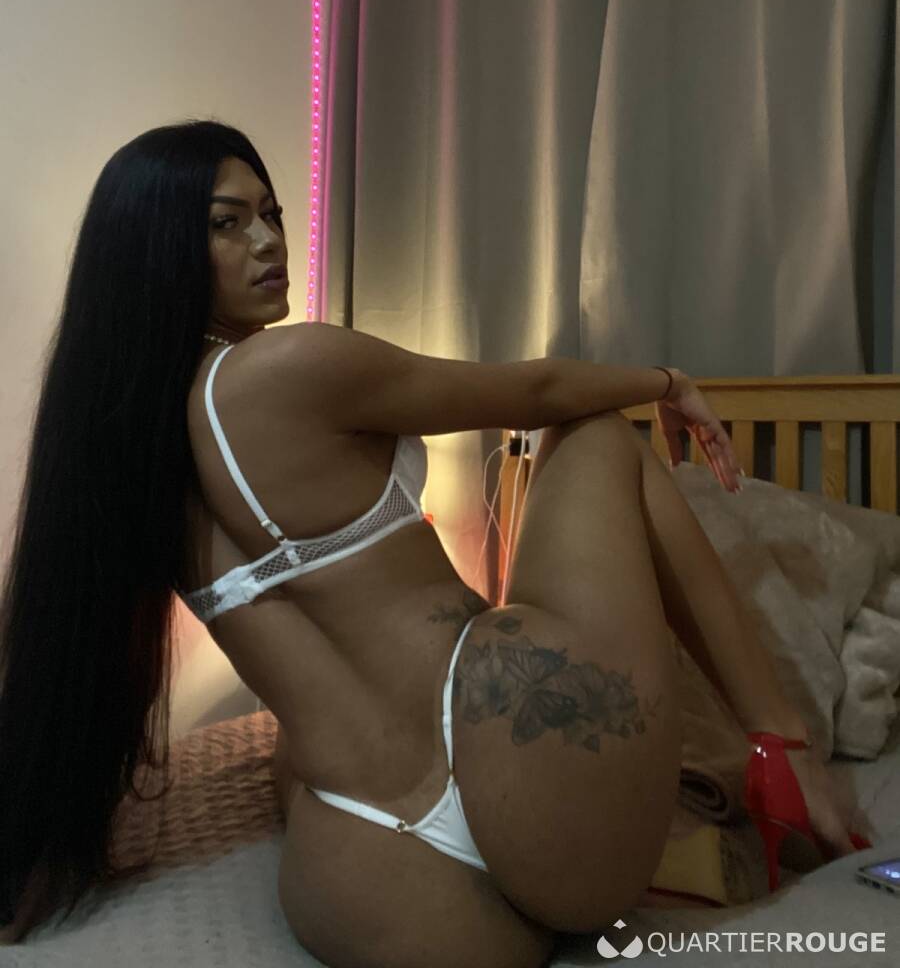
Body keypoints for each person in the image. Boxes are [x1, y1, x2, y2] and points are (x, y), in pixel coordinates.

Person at [0, 120, 867, 963]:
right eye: (227, 224)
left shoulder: (120, 453)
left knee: (292, 752)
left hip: (367, 867)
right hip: (527, 763)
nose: (268, 241)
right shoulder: (280, 369)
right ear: (153, 250)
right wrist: (668, 383)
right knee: (596, 429)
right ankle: (780, 745)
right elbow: (541, 391)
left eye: (270, 213)